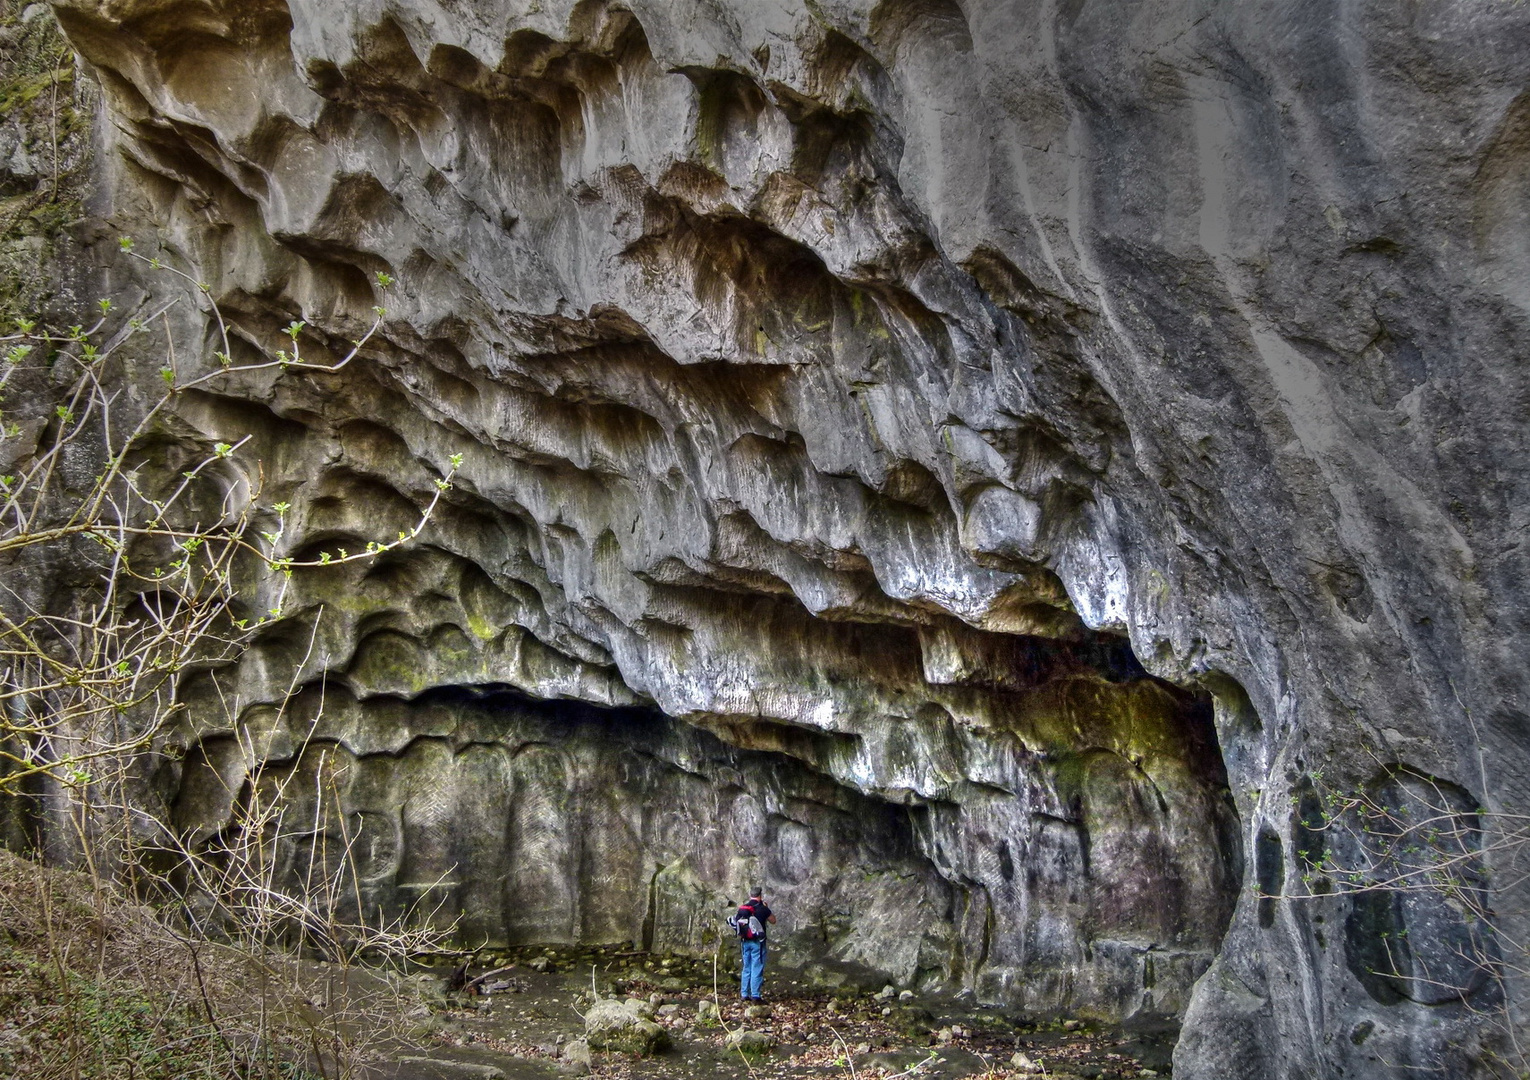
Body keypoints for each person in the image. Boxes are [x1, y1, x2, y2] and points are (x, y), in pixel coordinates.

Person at [734, 886, 776, 1002]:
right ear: (760, 895)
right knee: (757, 966)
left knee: (746, 967)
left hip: (745, 941)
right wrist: (767, 909)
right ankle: (755, 995)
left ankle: (744, 994)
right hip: (758, 942)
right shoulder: (763, 908)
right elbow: (773, 920)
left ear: (750, 895)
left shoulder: (743, 908)